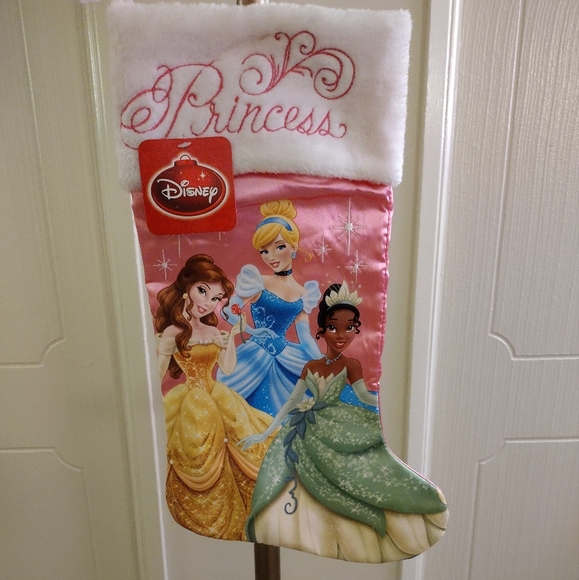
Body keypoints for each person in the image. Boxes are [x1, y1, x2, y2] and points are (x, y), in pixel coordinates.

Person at [239, 283, 449, 562]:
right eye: (333, 327)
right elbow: (291, 403)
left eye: (349, 328)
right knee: (285, 474)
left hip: (333, 424)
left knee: (349, 470)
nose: (341, 335)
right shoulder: (310, 367)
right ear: (321, 330)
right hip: (302, 428)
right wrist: (265, 432)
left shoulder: (352, 365)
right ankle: (288, 525)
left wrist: (385, 398)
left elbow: (364, 395)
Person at [155, 254, 276, 541]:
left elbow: (227, 368)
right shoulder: (173, 332)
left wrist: (230, 338)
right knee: (198, 455)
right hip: (192, 402)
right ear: (187, 288)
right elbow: (157, 375)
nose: (207, 303)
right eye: (203, 291)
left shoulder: (213, 330)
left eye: (216, 298)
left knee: (244, 444)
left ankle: (253, 517)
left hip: (218, 395)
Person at [217, 199, 322, 416]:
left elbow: (305, 336)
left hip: (287, 356)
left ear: (294, 247)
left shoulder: (303, 294)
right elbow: (229, 311)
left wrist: (322, 361)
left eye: (279, 247)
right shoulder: (259, 282)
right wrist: (253, 331)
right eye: (264, 251)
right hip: (254, 357)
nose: (271, 257)